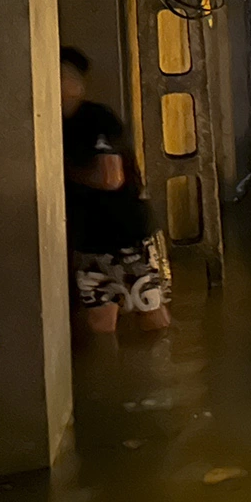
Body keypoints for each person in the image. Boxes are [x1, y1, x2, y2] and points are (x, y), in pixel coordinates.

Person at [60, 47, 170, 334]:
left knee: (151, 313)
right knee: (99, 321)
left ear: (76, 84)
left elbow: (110, 177)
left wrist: (61, 173)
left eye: (62, 77)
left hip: (127, 236)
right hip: (89, 242)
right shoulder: (54, 124)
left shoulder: (96, 119)